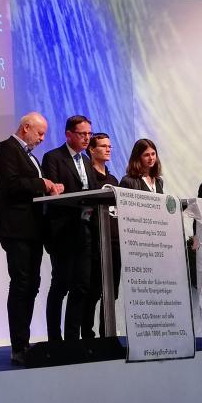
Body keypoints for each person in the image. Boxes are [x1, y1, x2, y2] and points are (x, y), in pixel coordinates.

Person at [0, 112, 63, 365]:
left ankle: (24, 342)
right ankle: (19, 345)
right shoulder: (6, 149)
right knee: (22, 285)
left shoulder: (30, 156)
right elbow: (11, 185)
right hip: (17, 230)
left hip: (33, 231)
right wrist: (42, 184)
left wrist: (51, 188)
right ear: (26, 128)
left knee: (32, 285)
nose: (43, 138)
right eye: (40, 133)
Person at [42, 115, 98, 341]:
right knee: (60, 284)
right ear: (68, 135)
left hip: (84, 232)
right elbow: (53, 195)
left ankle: (73, 340)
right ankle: (55, 340)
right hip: (62, 233)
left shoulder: (87, 161)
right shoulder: (53, 158)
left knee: (81, 286)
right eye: (82, 134)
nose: (87, 138)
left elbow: (92, 193)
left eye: (89, 134)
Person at [82, 133, 119, 339]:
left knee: (112, 293)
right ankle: (87, 334)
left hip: (114, 242)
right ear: (91, 150)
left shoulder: (113, 180)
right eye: (103, 146)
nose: (108, 149)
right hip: (96, 241)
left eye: (109, 146)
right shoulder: (89, 178)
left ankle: (108, 335)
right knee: (93, 290)